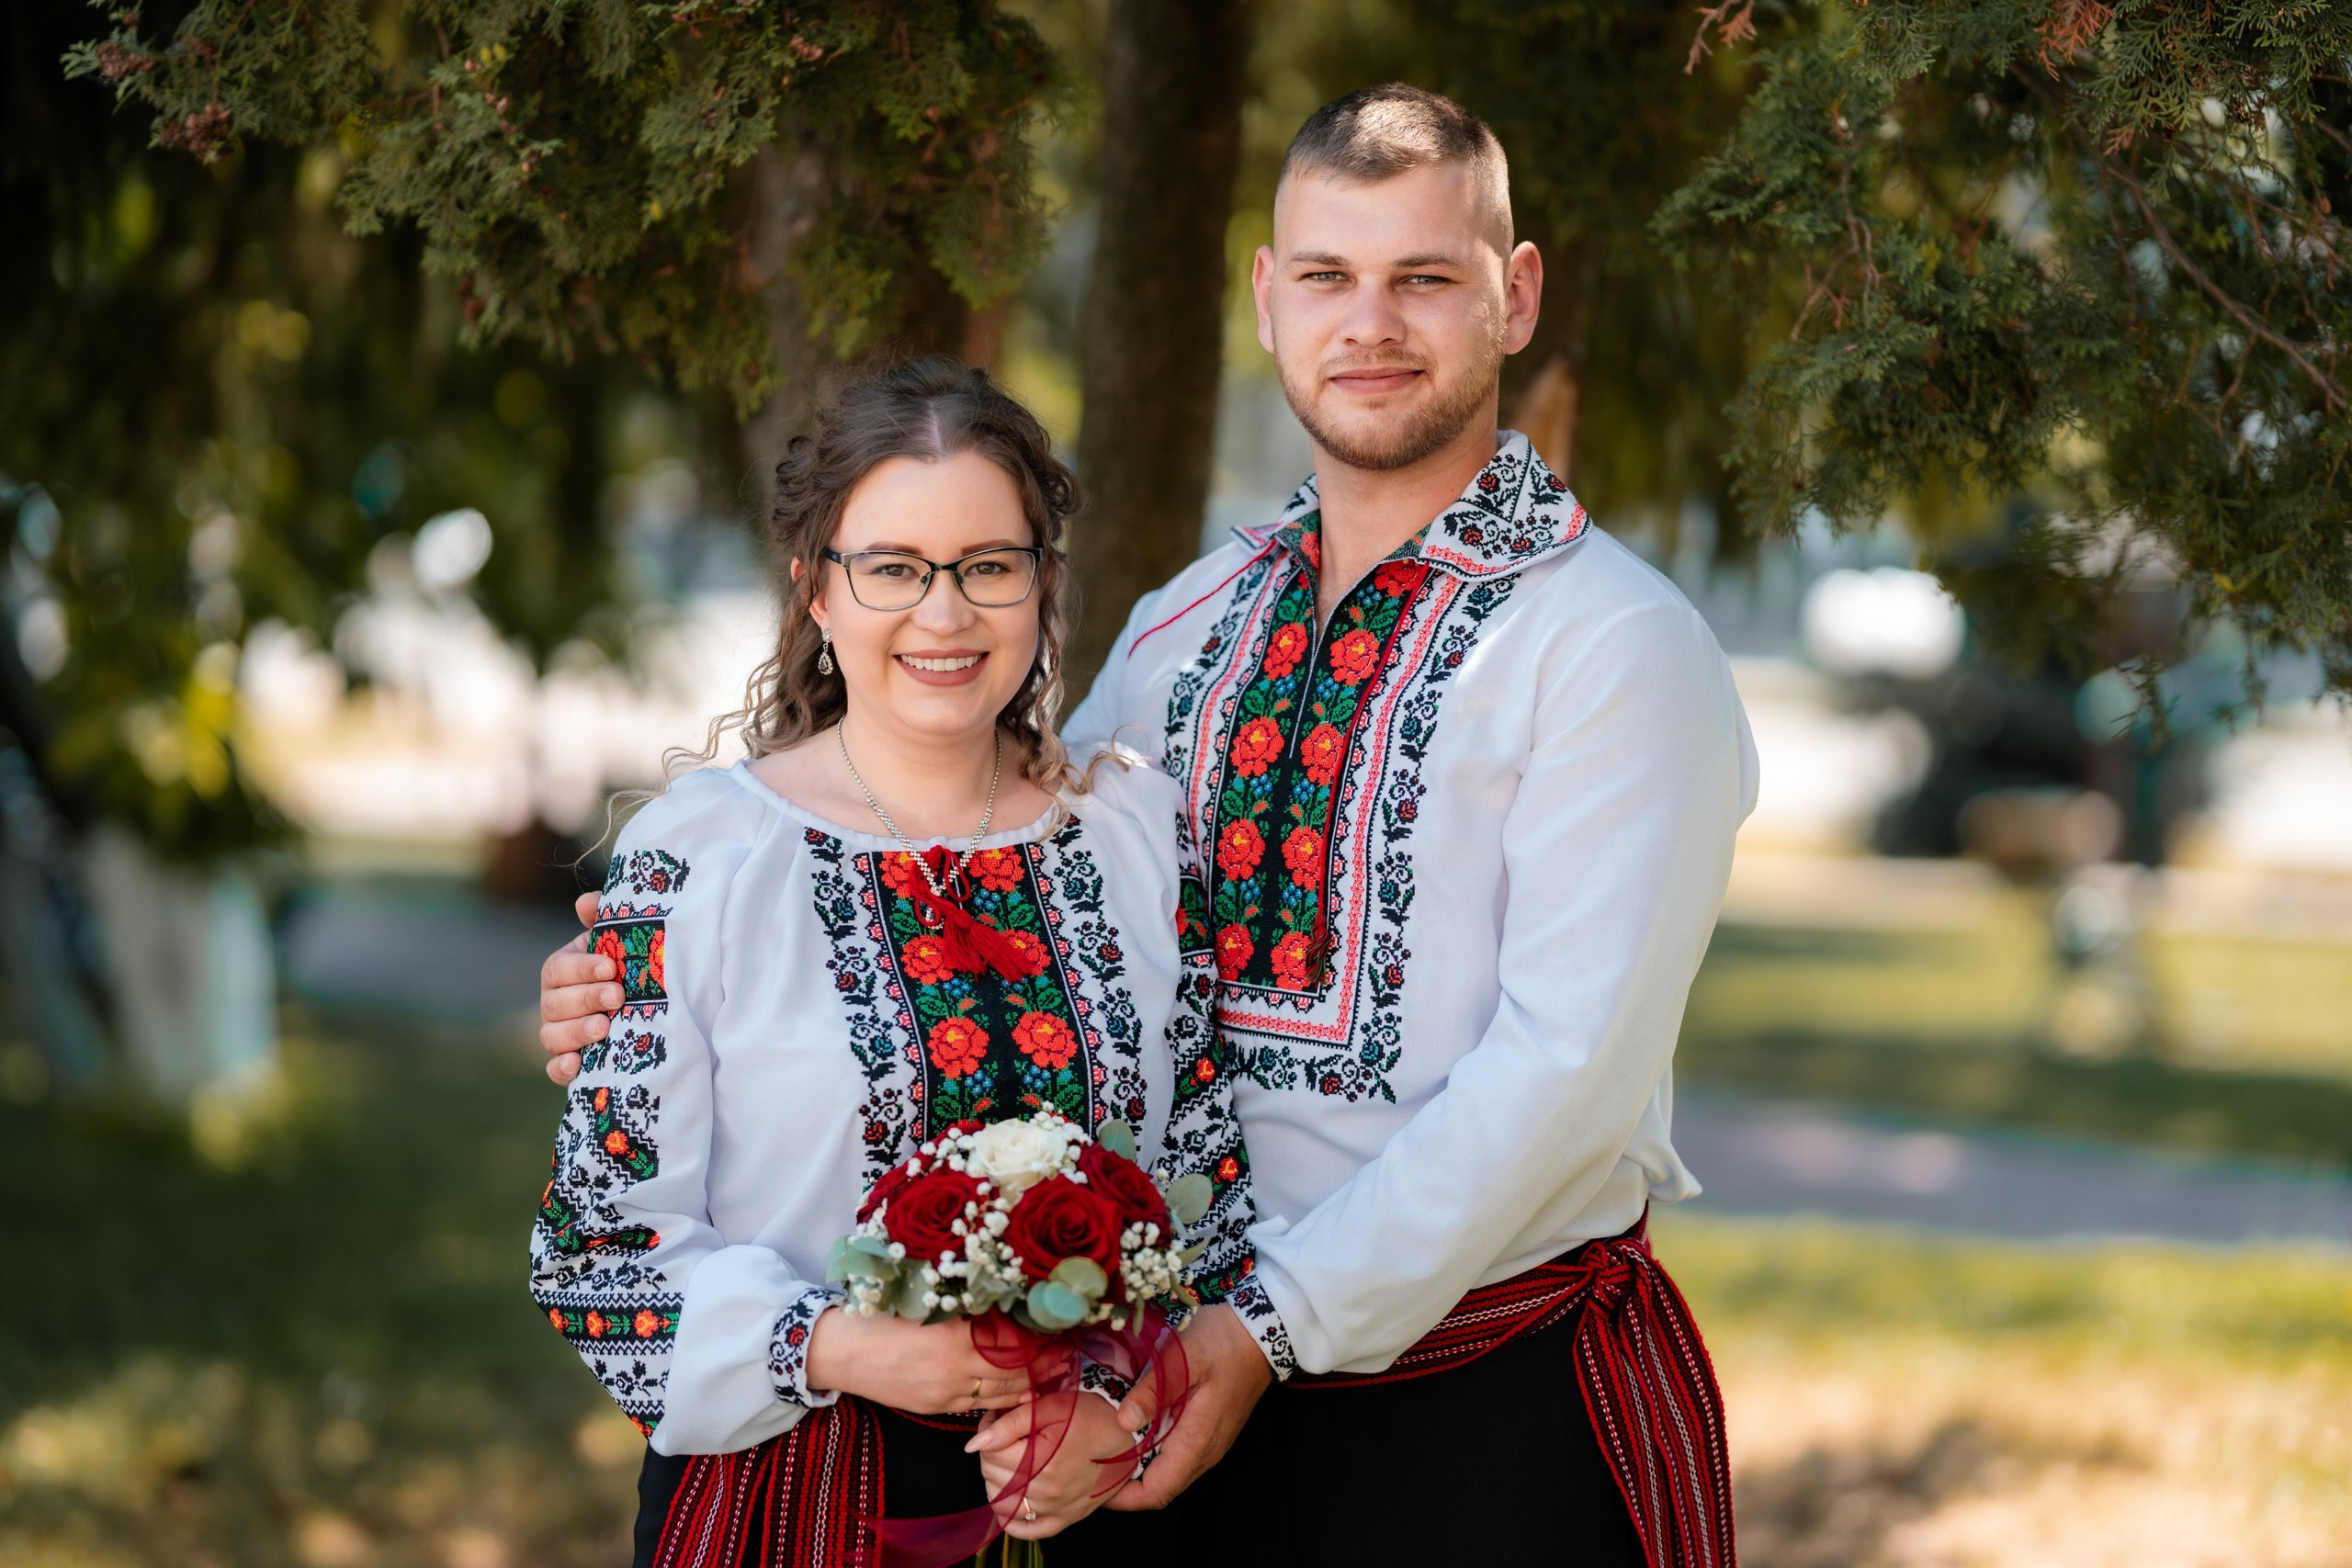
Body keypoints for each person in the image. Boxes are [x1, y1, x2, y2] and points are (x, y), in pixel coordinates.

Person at [545, 85, 1757, 1566]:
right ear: (1266, 299)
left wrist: (1263, 1328)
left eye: (1424, 278)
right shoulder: (1189, 627)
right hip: (1168, 1413)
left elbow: (1562, 1077)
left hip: (1470, 1394)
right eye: (1326, 275)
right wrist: (641, 992)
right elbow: (1014, 867)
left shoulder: (1615, 644)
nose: (1368, 323)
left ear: (1514, 298)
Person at [529, 357, 1262, 1568]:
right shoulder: (707, 857)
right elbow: (597, 1256)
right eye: (893, 569)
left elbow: (1206, 1189)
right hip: (800, 1504)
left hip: (1080, 1493)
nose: (944, 613)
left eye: (988, 565)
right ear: (816, 591)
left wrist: (1113, 1413)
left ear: (1044, 585)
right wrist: (858, 1349)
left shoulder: (1133, 838)